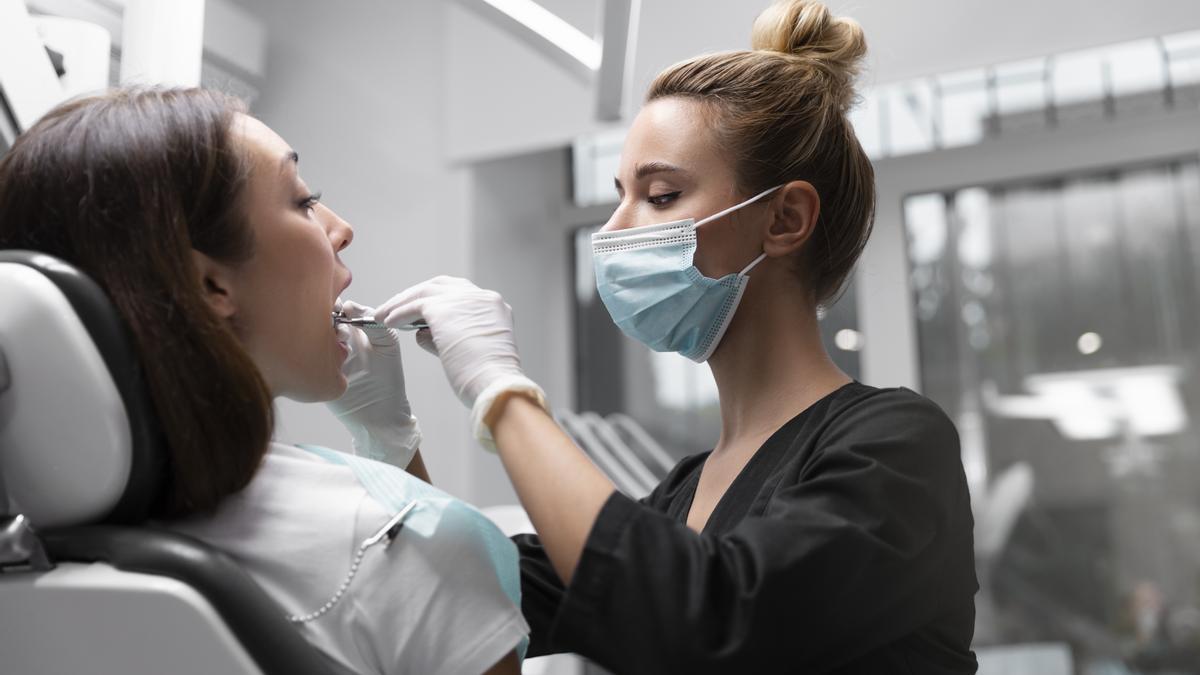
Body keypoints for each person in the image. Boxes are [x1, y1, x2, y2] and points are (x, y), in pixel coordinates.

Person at [371, 1, 978, 673]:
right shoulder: (683, 492)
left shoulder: (894, 445)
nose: (614, 230)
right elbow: (468, 592)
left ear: (784, 218)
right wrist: (386, 434)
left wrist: (500, 390)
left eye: (659, 196)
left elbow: (706, 613)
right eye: (620, 194)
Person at [0, 88, 526, 675]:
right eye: (304, 201)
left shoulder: (25, 549)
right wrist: (494, 396)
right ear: (210, 287)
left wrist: (389, 447)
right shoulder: (408, 551)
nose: (342, 228)